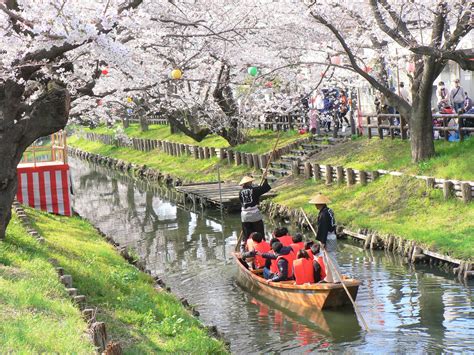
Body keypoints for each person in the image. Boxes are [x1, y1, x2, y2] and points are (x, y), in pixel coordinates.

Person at [309, 193, 340, 283]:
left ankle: (337, 279)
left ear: (320, 204)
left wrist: (322, 241)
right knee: (326, 259)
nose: (315, 205)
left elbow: (323, 228)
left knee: (331, 259)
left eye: (316, 203)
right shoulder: (328, 210)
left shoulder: (324, 214)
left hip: (328, 238)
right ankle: (329, 278)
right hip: (331, 236)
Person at [239, 176, 271, 252]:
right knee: (259, 233)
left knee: (247, 234)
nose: (252, 183)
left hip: (244, 215)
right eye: (251, 182)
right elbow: (264, 188)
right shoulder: (254, 190)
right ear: (249, 183)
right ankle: (262, 248)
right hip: (254, 214)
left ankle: (247, 250)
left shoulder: (240, 192)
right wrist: (265, 180)